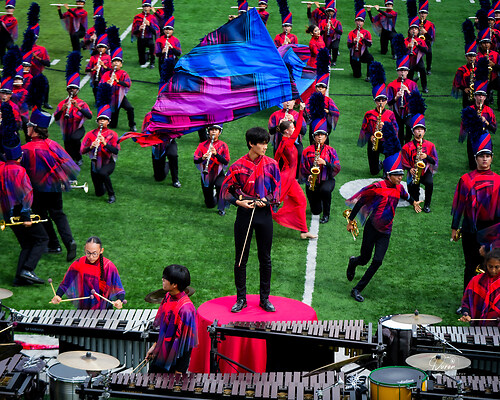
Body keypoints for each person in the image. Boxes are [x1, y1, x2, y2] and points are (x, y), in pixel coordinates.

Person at [346, 128, 422, 302]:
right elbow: (360, 202)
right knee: (364, 259)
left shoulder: (399, 188)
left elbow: (406, 195)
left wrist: (414, 202)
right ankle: (354, 262)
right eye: (397, 175)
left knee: (378, 261)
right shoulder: (377, 187)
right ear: (389, 175)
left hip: (386, 231)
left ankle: (357, 289)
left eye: (401, 174)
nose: (400, 177)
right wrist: (351, 221)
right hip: (372, 228)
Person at [221, 127, 281, 313]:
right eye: (262, 143)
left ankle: (265, 299)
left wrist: (267, 200)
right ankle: (241, 298)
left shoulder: (272, 165)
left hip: (264, 215)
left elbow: (277, 191)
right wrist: (240, 202)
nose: (265, 147)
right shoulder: (237, 166)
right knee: (241, 258)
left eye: (266, 143)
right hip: (245, 214)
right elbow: (226, 190)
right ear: (251, 144)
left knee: (265, 258)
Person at [0, 102, 48, 286]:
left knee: (27, 244)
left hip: (7, 213)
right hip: (21, 212)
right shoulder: (20, 171)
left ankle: (19, 279)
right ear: (19, 157)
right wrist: (27, 216)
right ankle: (28, 269)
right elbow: (26, 195)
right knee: (41, 238)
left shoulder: (2, 168)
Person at [21, 108, 79, 261]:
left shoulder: (25, 149)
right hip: (54, 187)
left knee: (41, 216)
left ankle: (54, 244)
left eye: (29, 126)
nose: (27, 128)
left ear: (34, 129)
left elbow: (21, 173)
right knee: (58, 215)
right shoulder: (53, 144)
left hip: (37, 190)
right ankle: (69, 241)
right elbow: (69, 165)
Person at [451, 130, 500, 294]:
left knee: (490, 266)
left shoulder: (498, 181)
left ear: (492, 158)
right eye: (481, 156)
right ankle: (466, 301)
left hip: (491, 230)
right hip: (470, 229)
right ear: (475, 158)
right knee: (470, 265)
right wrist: (454, 227)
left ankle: (487, 299)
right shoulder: (465, 179)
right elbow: (459, 205)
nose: (484, 159)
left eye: (487, 156)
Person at [273, 103, 317, 239]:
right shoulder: (288, 142)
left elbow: (275, 160)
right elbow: (299, 129)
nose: (294, 129)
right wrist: (301, 110)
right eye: (291, 127)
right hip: (286, 178)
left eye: (292, 127)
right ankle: (259, 220)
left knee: (301, 201)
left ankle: (303, 231)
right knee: (271, 203)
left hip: (289, 178)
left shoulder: (283, 142)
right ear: (287, 131)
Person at [145, 264, 197, 373]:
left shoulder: (186, 310)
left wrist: (180, 371)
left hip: (175, 361)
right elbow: (163, 329)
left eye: (166, 278)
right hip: (162, 354)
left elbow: (187, 345)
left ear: (174, 285)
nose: (162, 279)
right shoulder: (168, 296)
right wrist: (155, 346)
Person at [51, 236, 125, 310]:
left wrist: (119, 300)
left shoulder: (108, 266)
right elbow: (65, 283)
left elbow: (119, 288)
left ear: (101, 250)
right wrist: (58, 295)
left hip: (105, 309)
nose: (91, 257)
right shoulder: (78, 264)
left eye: (94, 253)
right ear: (85, 249)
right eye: (88, 253)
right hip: (84, 308)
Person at [359, 62, 399, 175]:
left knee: (388, 173)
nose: (381, 102)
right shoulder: (369, 114)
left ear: (386, 101)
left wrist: (385, 127)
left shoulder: (390, 114)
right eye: (378, 100)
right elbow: (364, 129)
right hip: (374, 141)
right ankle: (379, 165)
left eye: (383, 100)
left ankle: (387, 166)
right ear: (375, 101)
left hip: (387, 141)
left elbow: (396, 129)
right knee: (373, 172)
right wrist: (370, 137)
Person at [54, 51, 93, 166]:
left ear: (78, 90)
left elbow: (89, 116)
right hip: (66, 128)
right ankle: (72, 159)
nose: (72, 90)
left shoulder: (81, 103)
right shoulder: (63, 103)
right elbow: (56, 117)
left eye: (74, 89)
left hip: (78, 128)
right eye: (70, 88)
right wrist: (62, 110)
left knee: (75, 139)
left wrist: (78, 107)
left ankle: (79, 157)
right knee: (68, 146)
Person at [80, 92, 120, 204]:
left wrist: (105, 143)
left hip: (108, 162)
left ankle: (111, 195)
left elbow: (116, 151)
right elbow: (82, 151)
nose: (102, 121)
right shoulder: (90, 134)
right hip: (95, 163)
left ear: (108, 122)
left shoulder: (113, 134)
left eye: (104, 119)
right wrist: (91, 146)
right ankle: (103, 185)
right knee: (99, 193)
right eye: (100, 119)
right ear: (97, 121)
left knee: (103, 173)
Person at [301, 117, 341, 224]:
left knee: (325, 190)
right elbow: (302, 167)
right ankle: (319, 203)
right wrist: (308, 176)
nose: (319, 137)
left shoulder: (331, 151)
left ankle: (326, 214)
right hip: (312, 181)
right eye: (317, 135)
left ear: (325, 137)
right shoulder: (307, 151)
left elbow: (337, 167)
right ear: (314, 137)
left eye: (322, 135)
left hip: (327, 179)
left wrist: (325, 163)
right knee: (316, 211)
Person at [460, 59, 496, 170]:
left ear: (485, 97)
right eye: (478, 95)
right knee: (472, 166)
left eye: (482, 96)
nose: (480, 97)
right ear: (475, 96)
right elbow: (464, 126)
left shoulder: (489, 111)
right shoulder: (469, 109)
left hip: (485, 136)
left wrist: (486, 122)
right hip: (472, 136)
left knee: (484, 165)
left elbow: (494, 129)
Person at [401, 114, 438, 213]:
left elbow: (434, 161)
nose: (419, 131)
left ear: (424, 132)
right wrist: (410, 169)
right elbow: (403, 161)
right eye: (417, 130)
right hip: (413, 173)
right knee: (414, 198)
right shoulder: (406, 146)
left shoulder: (430, 145)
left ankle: (427, 205)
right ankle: (415, 199)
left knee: (430, 183)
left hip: (425, 171)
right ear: (413, 132)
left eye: (421, 130)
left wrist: (426, 156)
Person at [387, 36, 419, 145]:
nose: (402, 73)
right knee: (399, 131)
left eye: (405, 71)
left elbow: (417, 101)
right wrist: (396, 97)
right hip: (397, 111)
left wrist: (408, 92)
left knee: (409, 130)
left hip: (409, 111)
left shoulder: (413, 84)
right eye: (400, 70)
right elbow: (389, 102)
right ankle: (401, 146)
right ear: (397, 72)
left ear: (408, 72)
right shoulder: (391, 85)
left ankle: (408, 144)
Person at [193, 124, 230, 216]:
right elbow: (195, 160)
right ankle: (214, 194)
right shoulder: (202, 145)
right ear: (208, 132)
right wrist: (202, 158)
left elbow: (226, 161)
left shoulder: (223, 145)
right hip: (206, 174)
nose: (213, 132)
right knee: (209, 204)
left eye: (216, 130)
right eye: (211, 130)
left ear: (219, 132)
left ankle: (221, 207)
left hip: (218, 172)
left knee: (220, 185)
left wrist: (216, 154)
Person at [459, 248, 500, 327]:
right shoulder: (476, 281)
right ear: (486, 264)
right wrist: (466, 314)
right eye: (490, 266)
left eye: (497, 267)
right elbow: (466, 302)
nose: (493, 270)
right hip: (477, 326)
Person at [100, 46, 136, 132]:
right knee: (113, 125)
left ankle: (132, 125)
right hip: (111, 97)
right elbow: (101, 85)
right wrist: (107, 84)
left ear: (121, 65)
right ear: (111, 64)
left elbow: (127, 84)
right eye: (114, 61)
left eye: (118, 62)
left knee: (130, 108)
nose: (116, 63)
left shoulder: (123, 73)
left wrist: (117, 81)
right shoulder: (107, 74)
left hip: (120, 96)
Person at [452, 20, 477, 109]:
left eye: (473, 56)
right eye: (469, 56)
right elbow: (457, 83)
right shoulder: (461, 70)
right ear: (466, 57)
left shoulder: (480, 69)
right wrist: (464, 89)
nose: (471, 58)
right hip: (467, 95)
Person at [347, 7, 374, 80]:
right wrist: (354, 42)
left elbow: (369, 44)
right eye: (357, 21)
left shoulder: (367, 33)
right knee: (357, 75)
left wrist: (363, 38)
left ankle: (369, 75)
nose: (359, 23)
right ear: (355, 22)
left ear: (363, 23)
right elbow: (349, 46)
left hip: (363, 53)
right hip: (354, 54)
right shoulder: (351, 33)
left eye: (361, 21)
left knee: (371, 58)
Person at [132, 0, 160, 69]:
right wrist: (139, 29)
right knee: (141, 61)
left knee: (152, 49)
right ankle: (145, 57)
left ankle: (152, 62)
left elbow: (155, 32)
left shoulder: (153, 18)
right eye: (144, 6)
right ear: (142, 8)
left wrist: (149, 25)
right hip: (140, 38)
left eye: (147, 6)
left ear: (150, 8)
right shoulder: (137, 17)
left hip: (149, 38)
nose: (146, 8)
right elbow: (134, 31)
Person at [85, 33, 111, 101]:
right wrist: (93, 69)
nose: (101, 49)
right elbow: (87, 69)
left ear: (106, 49)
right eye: (99, 47)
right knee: (96, 91)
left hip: (105, 77)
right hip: (96, 78)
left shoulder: (108, 57)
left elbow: (111, 69)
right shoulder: (93, 57)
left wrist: (104, 66)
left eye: (103, 47)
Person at [405, 16, 428, 93]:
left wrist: (417, 45)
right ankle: (409, 85)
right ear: (409, 31)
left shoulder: (421, 41)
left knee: (422, 69)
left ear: (418, 31)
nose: (414, 30)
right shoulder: (405, 40)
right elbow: (400, 51)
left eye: (415, 29)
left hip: (418, 59)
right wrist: (408, 47)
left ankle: (424, 87)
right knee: (409, 72)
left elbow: (426, 50)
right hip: (409, 60)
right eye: (412, 29)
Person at [318, 1, 342, 65]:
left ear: (333, 13)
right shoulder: (322, 22)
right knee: (326, 49)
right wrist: (325, 29)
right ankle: (327, 60)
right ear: (326, 12)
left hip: (335, 38)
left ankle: (334, 60)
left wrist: (333, 27)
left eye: (331, 12)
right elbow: (319, 33)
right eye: (328, 11)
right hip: (325, 38)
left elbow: (340, 32)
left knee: (335, 47)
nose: (330, 13)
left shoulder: (337, 22)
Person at [418, 0, 435, 75]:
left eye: (424, 13)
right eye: (421, 13)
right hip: (417, 41)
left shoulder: (430, 24)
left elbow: (431, 38)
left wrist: (425, 33)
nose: (423, 15)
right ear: (419, 14)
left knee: (429, 52)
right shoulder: (415, 23)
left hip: (426, 42)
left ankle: (428, 69)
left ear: (427, 14)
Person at [0, 0, 17, 64]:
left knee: (11, 50)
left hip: (9, 39)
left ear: (13, 9)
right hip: (1, 38)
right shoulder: (2, 17)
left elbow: (7, 26)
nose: (8, 10)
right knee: (1, 53)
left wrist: (1, 23)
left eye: (10, 8)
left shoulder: (14, 20)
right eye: (7, 8)